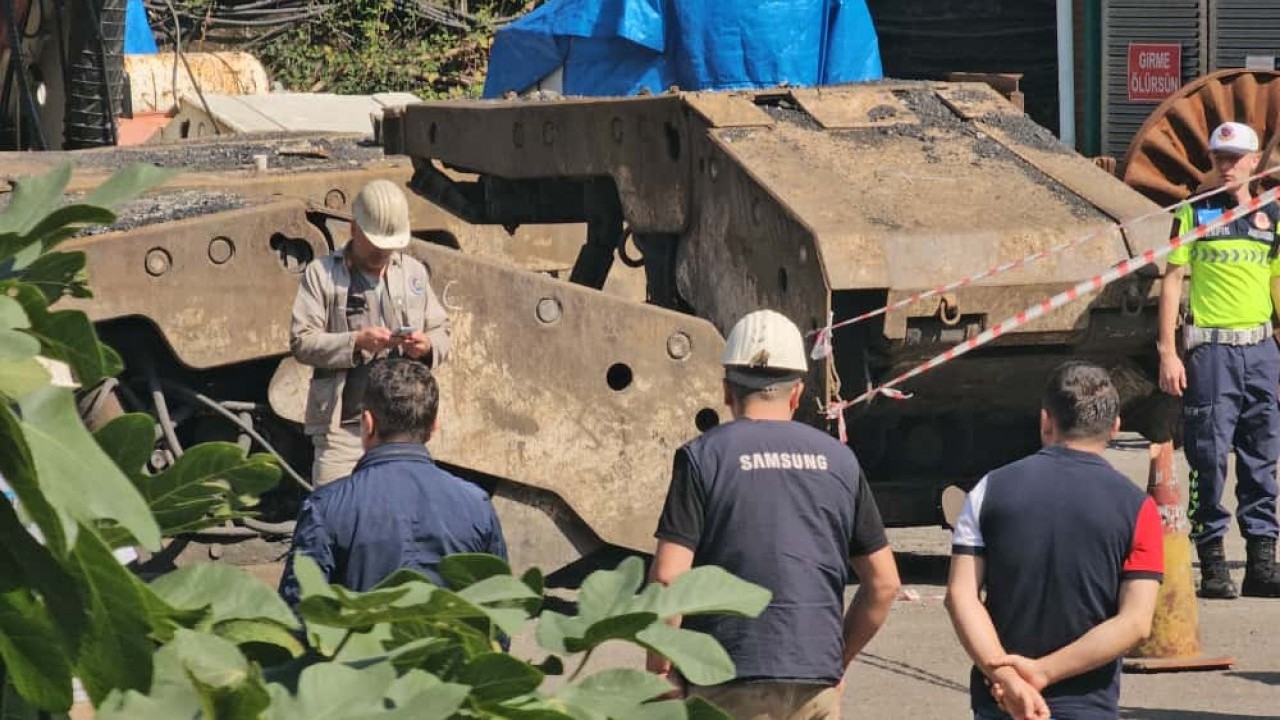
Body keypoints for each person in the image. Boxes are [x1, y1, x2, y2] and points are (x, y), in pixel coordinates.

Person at [647, 309, 901, 720]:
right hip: (814, 684)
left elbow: (668, 577)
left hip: (725, 681)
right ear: (797, 393)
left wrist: (659, 671)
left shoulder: (702, 458)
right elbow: (885, 584)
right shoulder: (841, 461)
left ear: (727, 390)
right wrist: (835, 661)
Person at [946, 362, 1163, 720]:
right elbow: (1136, 622)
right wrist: (1043, 671)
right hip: (1087, 706)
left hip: (1002, 702)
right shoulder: (1138, 508)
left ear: (1046, 421)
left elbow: (961, 595)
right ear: (1115, 427)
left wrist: (1004, 675)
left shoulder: (990, 489)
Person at [1157, 120, 1280, 599]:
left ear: (1254, 163)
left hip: (1260, 350)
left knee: (1262, 457)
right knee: (1207, 458)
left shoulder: (1271, 216)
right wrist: (1169, 350)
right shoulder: (1195, 213)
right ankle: (1211, 560)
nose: (1226, 167)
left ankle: (1262, 561)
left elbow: (1275, 284)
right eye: (1219, 159)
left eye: (1235, 158)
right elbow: (1172, 281)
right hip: (1211, 351)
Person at [278, 359, 506, 607]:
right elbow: (499, 613)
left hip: (359, 645)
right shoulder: (477, 506)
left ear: (367, 424)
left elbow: (299, 615)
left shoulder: (326, 508)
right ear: (434, 426)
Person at [290, 179, 451, 486]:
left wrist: (427, 346)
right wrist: (356, 343)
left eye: (389, 246)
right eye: (375, 244)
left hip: (405, 427)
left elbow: (442, 330)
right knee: (333, 512)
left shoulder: (413, 273)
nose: (382, 253)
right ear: (353, 230)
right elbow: (301, 342)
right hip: (343, 427)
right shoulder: (321, 274)